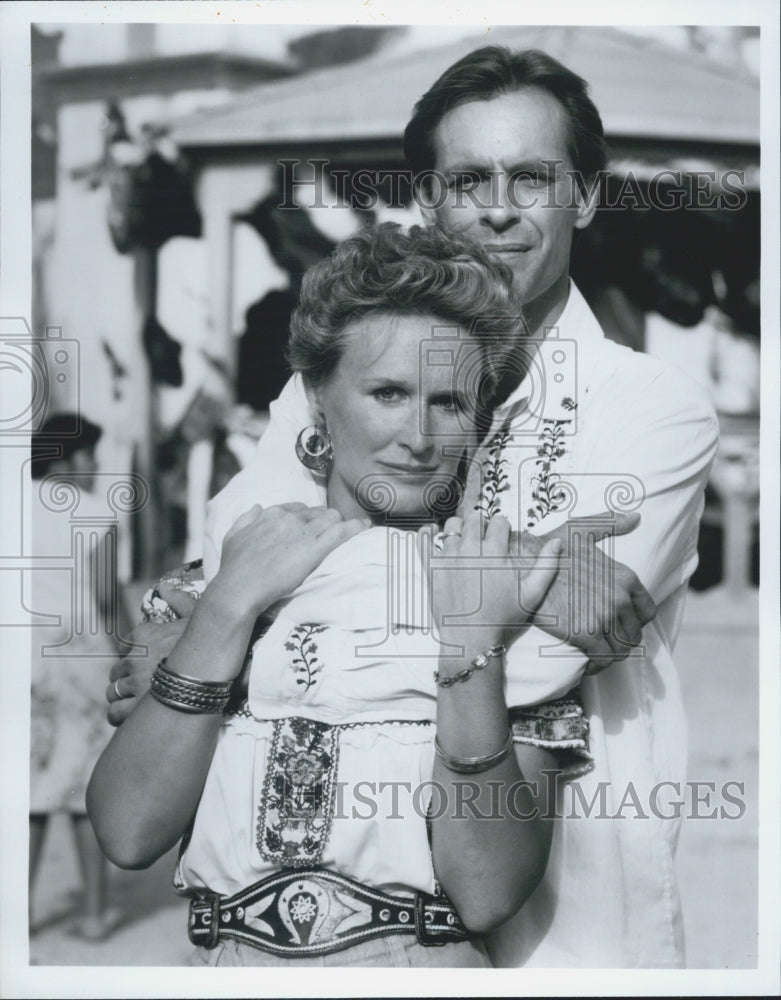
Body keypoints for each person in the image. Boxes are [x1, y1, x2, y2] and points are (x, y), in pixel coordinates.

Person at [109, 47, 718, 967]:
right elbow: (250, 552)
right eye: (468, 178)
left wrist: (211, 621)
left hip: (557, 903)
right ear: (429, 200)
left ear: (584, 198)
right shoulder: (314, 384)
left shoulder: (648, 402)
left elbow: (566, 636)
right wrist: (517, 572)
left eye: (532, 178)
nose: (499, 208)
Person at [89, 224, 592, 967]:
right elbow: (127, 831)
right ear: (317, 396)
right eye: (387, 392)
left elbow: (487, 889)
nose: (419, 437)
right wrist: (229, 606)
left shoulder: (508, 584)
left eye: (449, 402)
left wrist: (471, 649)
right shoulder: (221, 573)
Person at [29, 414, 126, 941]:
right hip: (79, 654)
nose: (96, 468)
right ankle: (92, 913)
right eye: (91, 457)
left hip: (21, 657)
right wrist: (131, 658)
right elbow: (108, 600)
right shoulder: (93, 512)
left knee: (30, 790)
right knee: (88, 787)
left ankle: (16, 915)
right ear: (67, 461)